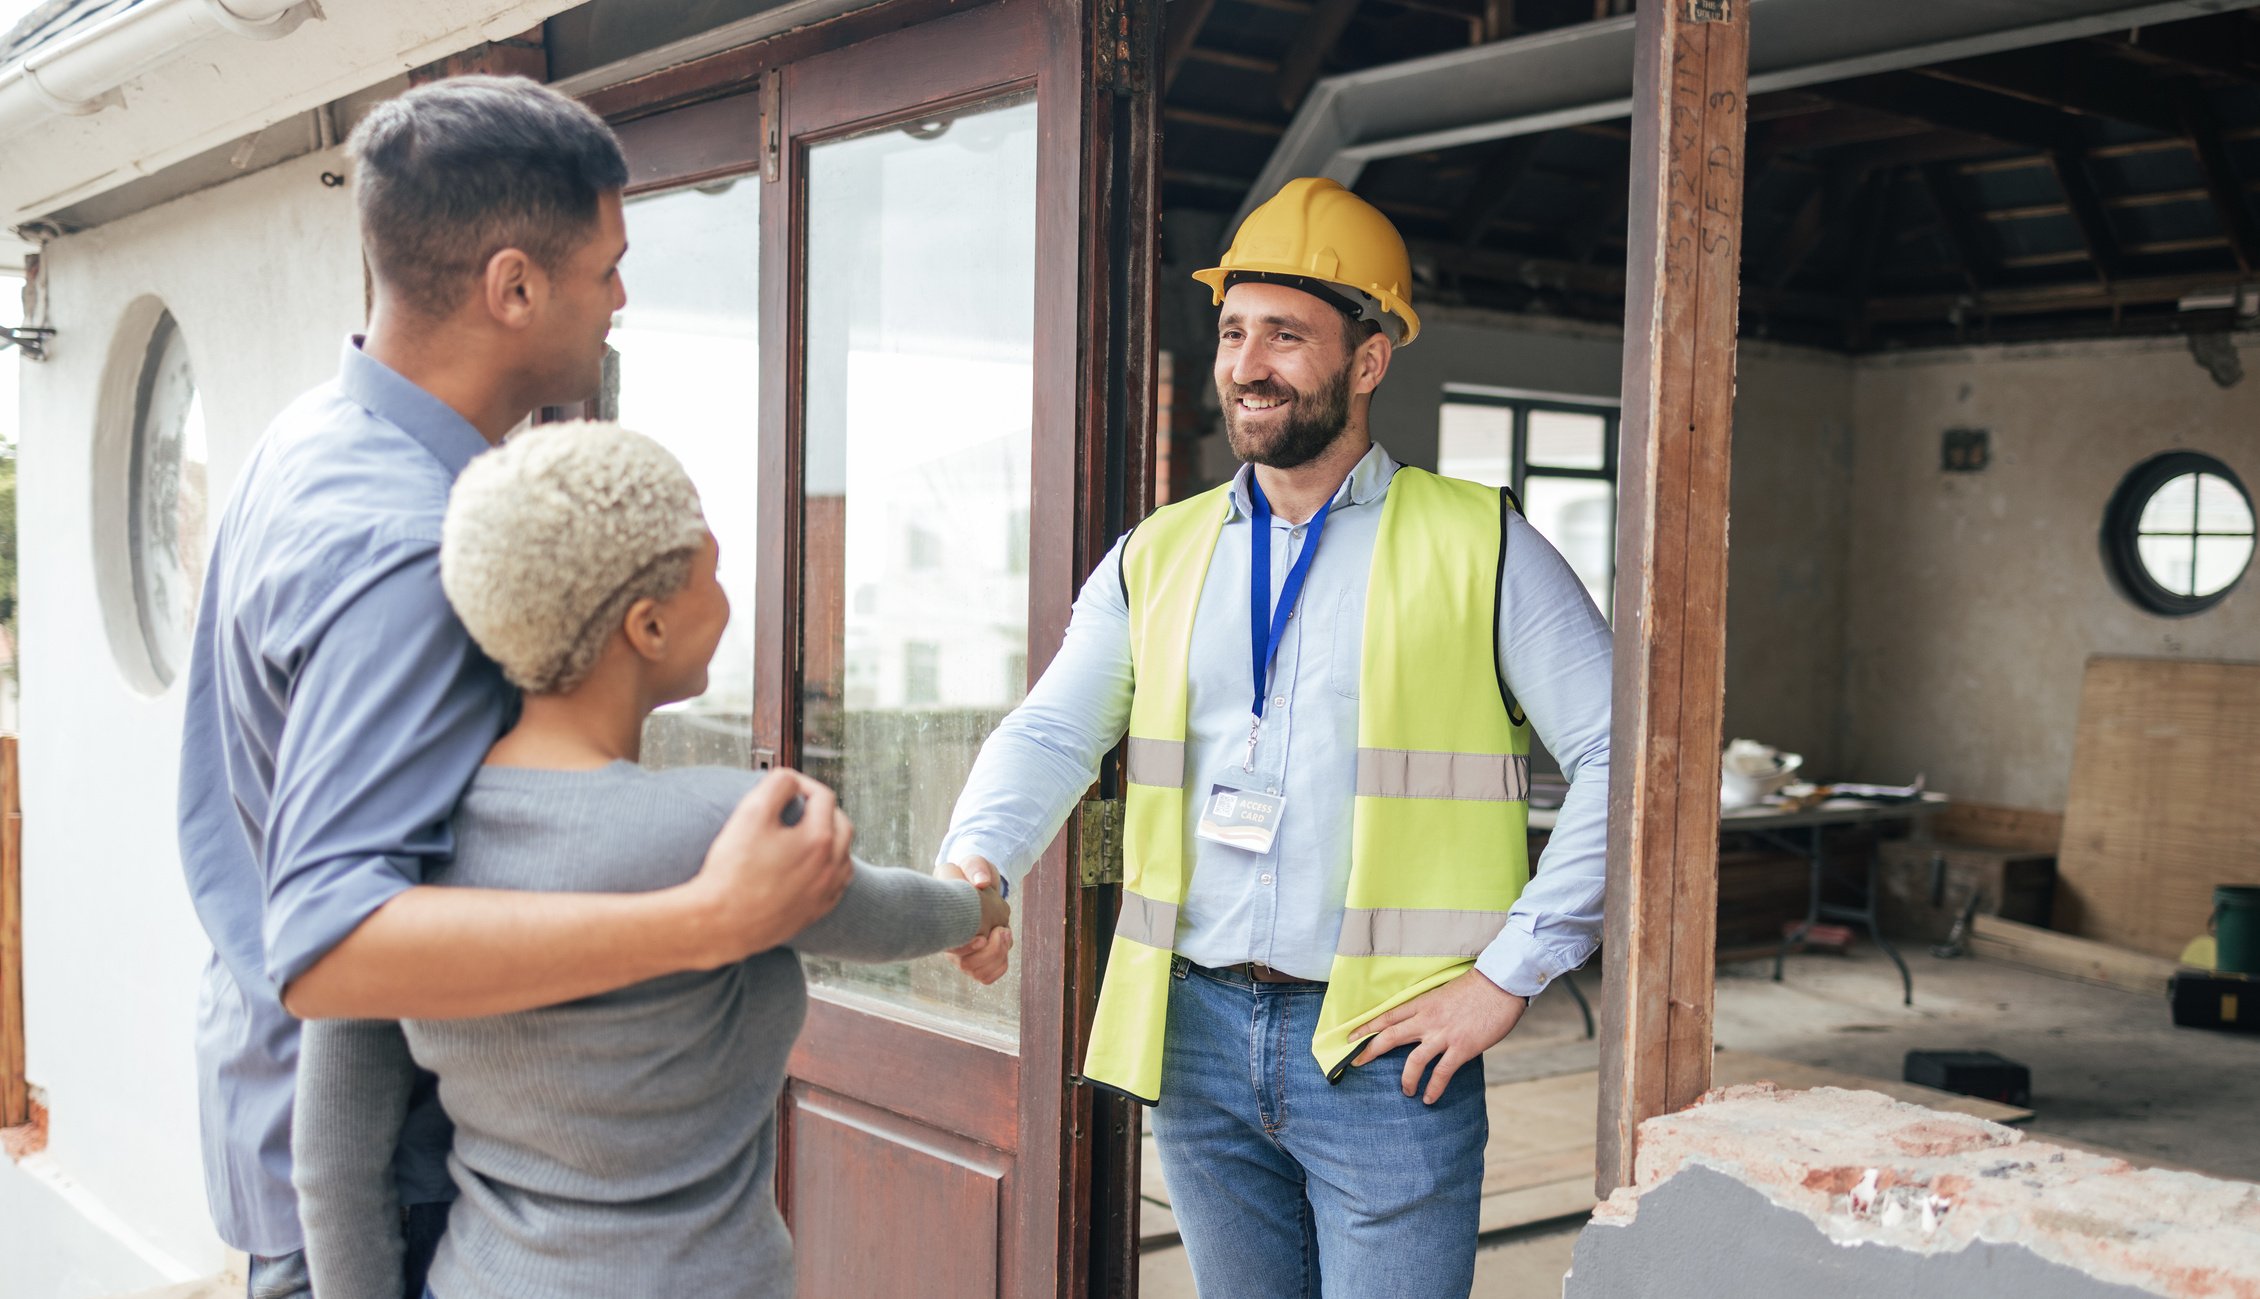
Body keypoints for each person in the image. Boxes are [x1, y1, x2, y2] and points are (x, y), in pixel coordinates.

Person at [176, 76, 856, 1299]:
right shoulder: (406, 547)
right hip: (388, 1196)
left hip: (295, 1130)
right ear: (513, 285)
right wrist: (707, 921)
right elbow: (331, 945)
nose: (620, 301)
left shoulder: (307, 442)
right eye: (607, 266)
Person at [934, 177, 1614, 1296]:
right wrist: (979, 858)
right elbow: (1055, 727)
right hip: (1195, 1027)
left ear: (1368, 359)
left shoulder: (1480, 544)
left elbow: (1619, 760)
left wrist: (1511, 970)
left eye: (1287, 335)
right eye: (1234, 331)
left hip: (1388, 1044)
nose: (1249, 363)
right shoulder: (1157, 552)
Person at [292, 421, 1011, 1299]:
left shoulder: (402, 855)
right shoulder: (730, 828)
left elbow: (332, 1158)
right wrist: (978, 905)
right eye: (709, 565)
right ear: (648, 621)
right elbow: (891, 915)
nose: (728, 594)